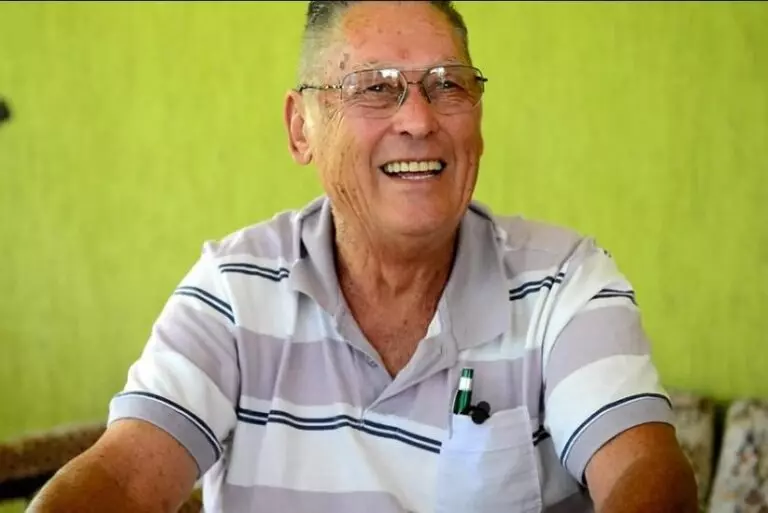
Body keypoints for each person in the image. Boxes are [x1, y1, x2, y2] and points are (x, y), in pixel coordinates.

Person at [28, 1, 698, 512]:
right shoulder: (233, 291)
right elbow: (125, 477)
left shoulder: (565, 282)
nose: (419, 119)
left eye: (448, 85)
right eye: (374, 87)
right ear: (301, 128)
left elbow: (645, 473)